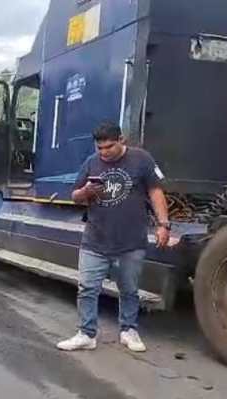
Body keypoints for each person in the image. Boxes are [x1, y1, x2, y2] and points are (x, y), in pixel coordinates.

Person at [57, 122, 170, 354]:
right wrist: (86, 192)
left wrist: (164, 224)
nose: (104, 152)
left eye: (109, 147)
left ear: (121, 140)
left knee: (129, 289)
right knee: (87, 288)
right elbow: (75, 195)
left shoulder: (141, 159)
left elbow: (155, 191)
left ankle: (129, 330)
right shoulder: (91, 163)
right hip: (95, 239)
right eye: (100, 148)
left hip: (131, 241)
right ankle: (86, 334)